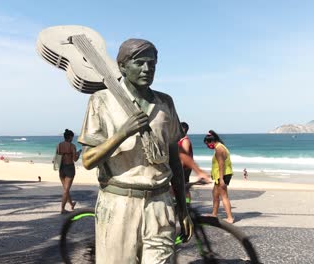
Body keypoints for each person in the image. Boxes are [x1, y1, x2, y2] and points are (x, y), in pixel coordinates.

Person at [79, 39, 193, 263]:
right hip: (119, 204)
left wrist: (182, 208)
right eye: (140, 63)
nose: (147, 69)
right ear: (121, 66)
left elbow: (174, 159)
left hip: (160, 203)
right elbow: (88, 159)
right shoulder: (101, 100)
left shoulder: (165, 102)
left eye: (152, 64)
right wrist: (123, 133)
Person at [204, 130, 234, 224]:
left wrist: (221, 179)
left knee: (224, 196)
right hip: (220, 175)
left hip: (222, 175)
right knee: (215, 194)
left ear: (212, 142)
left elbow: (221, 165)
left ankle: (230, 218)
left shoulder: (219, 149)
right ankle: (214, 214)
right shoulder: (220, 145)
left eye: (207, 144)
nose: (208, 146)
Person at [178, 121, 210, 204]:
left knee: (185, 188)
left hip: (184, 168)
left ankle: (187, 204)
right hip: (182, 168)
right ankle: (183, 203)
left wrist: (178, 169)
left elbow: (184, 155)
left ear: (183, 129)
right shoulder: (180, 139)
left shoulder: (185, 141)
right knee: (181, 188)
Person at [57, 129, 81, 214]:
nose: (73, 139)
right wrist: (79, 153)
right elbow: (75, 159)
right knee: (66, 190)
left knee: (66, 189)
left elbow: (57, 157)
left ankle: (71, 204)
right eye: (72, 137)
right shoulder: (72, 146)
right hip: (69, 168)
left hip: (61, 168)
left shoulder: (59, 145)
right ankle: (62, 209)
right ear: (70, 137)